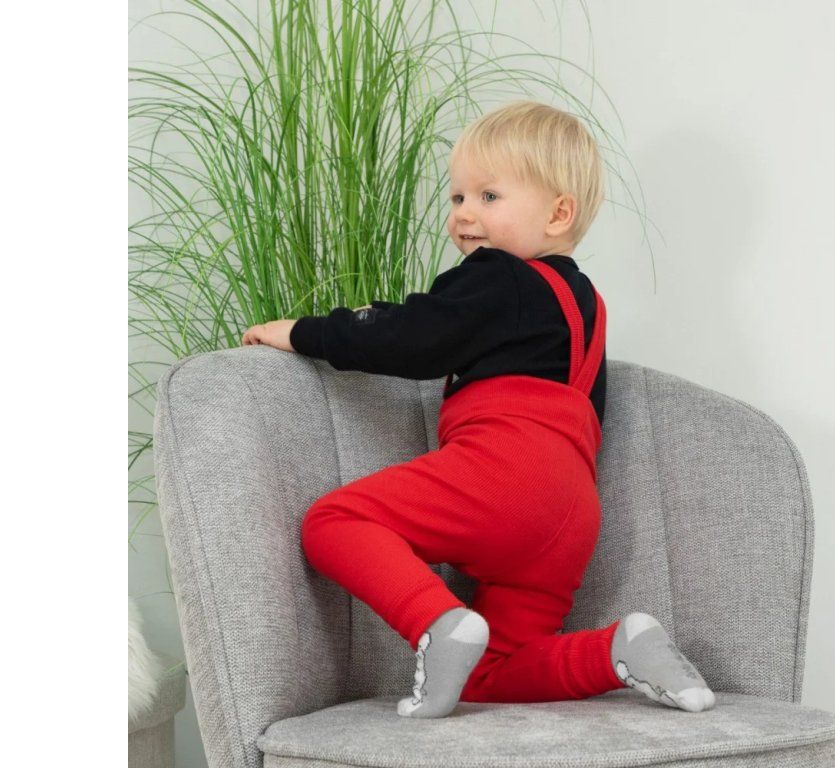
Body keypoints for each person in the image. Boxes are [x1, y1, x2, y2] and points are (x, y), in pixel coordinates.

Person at [241, 100, 716, 718]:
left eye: (489, 196)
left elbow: (409, 337)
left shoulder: (499, 277)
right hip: (571, 513)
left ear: (559, 213)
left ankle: (435, 621)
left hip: (506, 473)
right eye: (458, 197)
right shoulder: (587, 304)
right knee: (488, 676)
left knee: (335, 521)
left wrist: (303, 332)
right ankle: (618, 651)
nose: (464, 214)